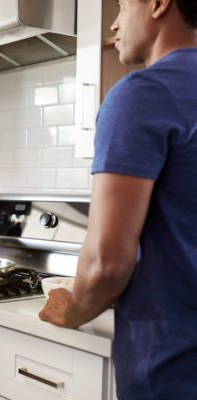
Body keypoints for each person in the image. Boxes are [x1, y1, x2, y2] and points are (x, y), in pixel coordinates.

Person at [39, 1, 197, 398]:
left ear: (159, 4)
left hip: (169, 370)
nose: (114, 21)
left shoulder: (143, 93)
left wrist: (73, 311)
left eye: (124, 5)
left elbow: (108, 261)